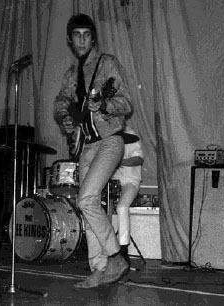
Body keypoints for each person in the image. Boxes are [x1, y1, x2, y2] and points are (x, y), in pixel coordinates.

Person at [54, 14, 132, 289]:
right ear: (70, 39)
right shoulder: (70, 74)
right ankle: (99, 270)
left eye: (87, 34)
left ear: (93, 37)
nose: (83, 39)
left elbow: (126, 102)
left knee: (86, 199)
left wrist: (105, 106)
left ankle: (115, 257)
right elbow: (61, 103)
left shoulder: (107, 63)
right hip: (86, 146)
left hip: (110, 141)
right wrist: (65, 118)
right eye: (77, 34)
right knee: (89, 208)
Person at [111, 125, 144, 266]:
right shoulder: (105, 134)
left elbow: (138, 159)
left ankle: (123, 249)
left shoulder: (130, 134)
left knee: (122, 207)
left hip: (130, 180)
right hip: (112, 180)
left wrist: (118, 162)